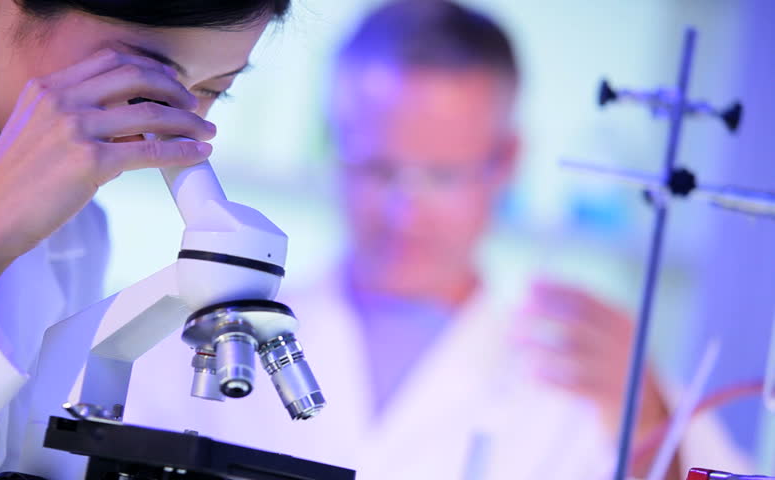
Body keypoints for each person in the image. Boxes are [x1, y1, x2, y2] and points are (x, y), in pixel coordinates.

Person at [126, 1, 751, 479]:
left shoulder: (600, 384)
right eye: (378, 167)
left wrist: (653, 427)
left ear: (505, 161)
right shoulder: (205, 334)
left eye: (443, 175)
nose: (404, 210)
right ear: (334, 146)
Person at [0, 0, 291, 477]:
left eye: (212, 89)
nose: (168, 125)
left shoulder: (78, 232)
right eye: (138, 76)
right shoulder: (14, 222)